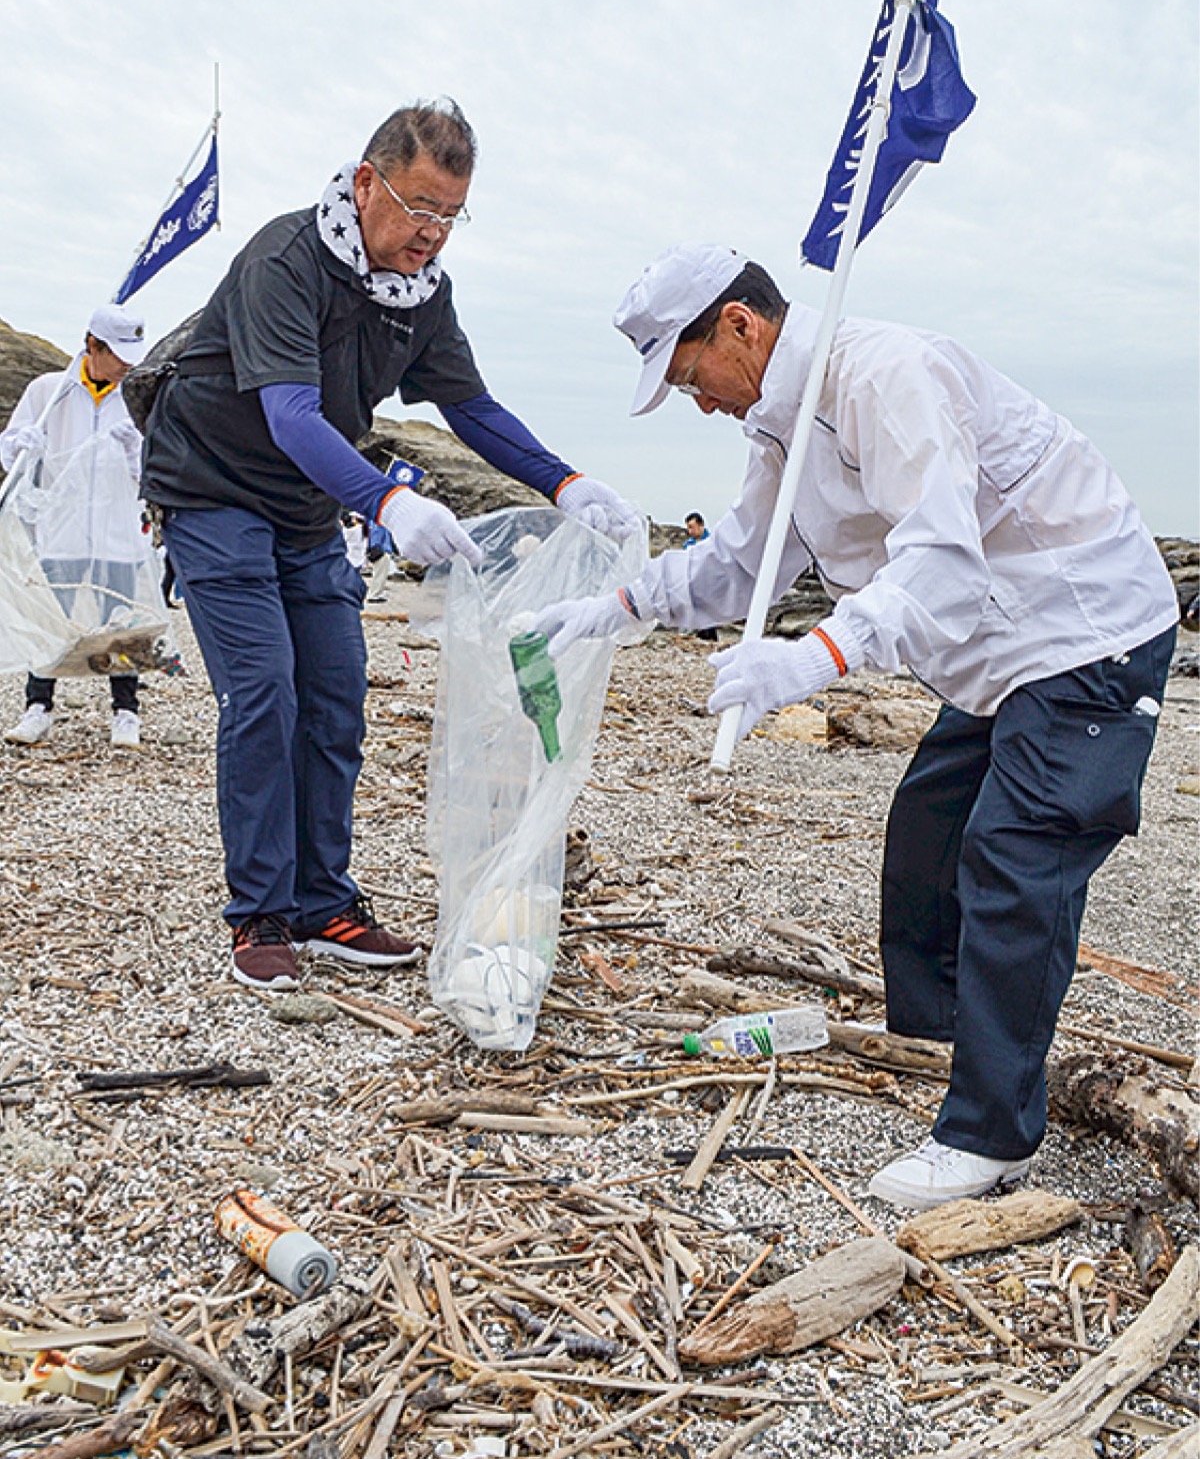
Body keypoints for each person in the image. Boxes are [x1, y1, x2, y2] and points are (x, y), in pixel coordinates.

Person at [534, 243, 1178, 1211]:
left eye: (691, 375)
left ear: (740, 324)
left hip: (1084, 633)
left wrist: (814, 658)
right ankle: (937, 1034)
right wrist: (616, 606)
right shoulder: (781, 425)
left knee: (1017, 859)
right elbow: (742, 560)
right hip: (994, 654)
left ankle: (990, 1134)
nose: (698, 403)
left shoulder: (886, 373)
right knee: (927, 838)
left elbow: (942, 559)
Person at [140, 99, 639, 993]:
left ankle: (323, 904)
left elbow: (469, 406)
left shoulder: (422, 296)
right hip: (211, 489)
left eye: (452, 214)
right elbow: (292, 413)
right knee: (265, 692)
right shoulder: (286, 259)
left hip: (303, 508)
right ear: (367, 182)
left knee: (335, 694)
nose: (433, 233)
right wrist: (388, 501)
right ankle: (261, 910)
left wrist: (563, 481)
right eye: (419, 207)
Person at [2, 304, 149, 751]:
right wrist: (22, 445)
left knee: (123, 625)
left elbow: (152, 471)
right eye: (117, 355)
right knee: (51, 622)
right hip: (60, 532)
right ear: (92, 346)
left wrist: (135, 452)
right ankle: (38, 707)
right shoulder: (49, 391)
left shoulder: (135, 396)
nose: (126, 366)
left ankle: (125, 712)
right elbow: (10, 455)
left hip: (117, 535)